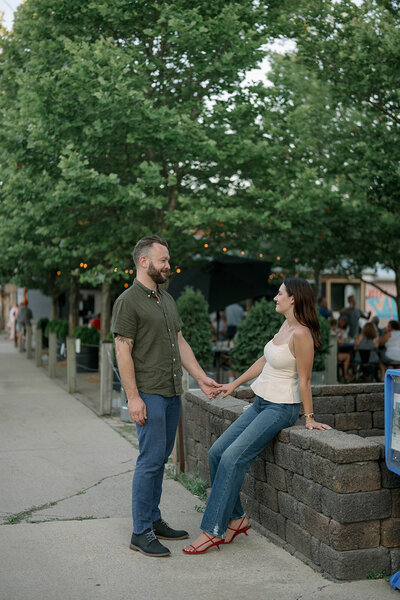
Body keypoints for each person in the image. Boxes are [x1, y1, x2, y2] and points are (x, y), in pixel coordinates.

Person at [183, 278, 331, 555]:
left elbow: (305, 379)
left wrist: (308, 417)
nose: (275, 297)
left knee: (232, 458)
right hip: (261, 402)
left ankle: (213, 530)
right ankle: (237, 519)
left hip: (281, 409)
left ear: (293, 299)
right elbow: (265, 360)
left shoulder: (302, 334)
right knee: (217, 453)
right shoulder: (285, 325)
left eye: (280, 293)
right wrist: (234, 384)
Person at [111, 235, 221, 558]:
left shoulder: (167, 300)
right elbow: (123, 352)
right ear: (144, 262)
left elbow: (181, 343)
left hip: (173, 393)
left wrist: (200, 378)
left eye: (168, 260)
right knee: (149, 460)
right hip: (149, 393)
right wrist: (133, 398)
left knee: (160, 459)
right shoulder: (128, 302)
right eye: (163, 260)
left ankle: (153, 519)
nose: (168, 266)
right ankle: (140, 531)